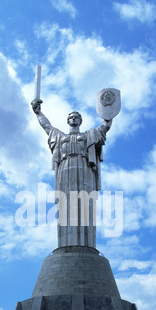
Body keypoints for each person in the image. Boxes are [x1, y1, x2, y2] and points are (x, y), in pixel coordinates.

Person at [31, 99, 112, 249]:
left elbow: (105, 128)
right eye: (71, 117)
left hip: (84, 168)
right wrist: (38, 113)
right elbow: (46, 126)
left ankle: (86, 245)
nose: (73, 118)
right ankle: (66, 245)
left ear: (80, 121)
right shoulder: (60, 136)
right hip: (65, 170)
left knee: (85, 203)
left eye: (76, 117)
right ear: (68, 121)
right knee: (65, 204)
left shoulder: (89, 135)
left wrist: (109, 113)